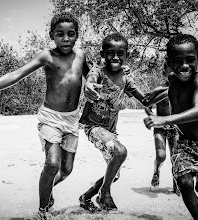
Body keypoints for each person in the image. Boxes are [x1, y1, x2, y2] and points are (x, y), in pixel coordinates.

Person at [0, 12, 90, 219]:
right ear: (52, 35)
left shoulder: (82, 55)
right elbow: (17, 74)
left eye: (71, 34)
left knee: (66, 170)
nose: (66, 39)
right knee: (52, 164)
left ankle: (47, 189)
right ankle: (43, 210)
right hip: (50, 118)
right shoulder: (47, 56)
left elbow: (94, 76)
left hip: (72, 119)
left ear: (77, 35)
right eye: (60, 34)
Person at [79, 32, 167, 212]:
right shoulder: (98, 72)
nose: (115, 57)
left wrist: (170, 91)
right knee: (120, 152)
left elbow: (146, 100)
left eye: (121, 53)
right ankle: (105, 193)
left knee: (114, 173)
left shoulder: (126, 79)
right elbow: (90, 80)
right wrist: (88, 87)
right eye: (110, 52)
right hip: (93, 127)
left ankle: (86, 197)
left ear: (127, 55)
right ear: (103, 54)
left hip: (111, 131)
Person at [143, 34, 198, 220]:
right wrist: (158, 93)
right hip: (184, 144)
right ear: (169, 62)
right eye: (178, 61)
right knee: (184, 183)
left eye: (190, 60)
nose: (184, 66)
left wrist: (164, 120)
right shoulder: (172, 78)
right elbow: (173, 89)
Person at [144, 63, 180, 195]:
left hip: (176, 129)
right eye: (169, 72)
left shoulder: (181, 89)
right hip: (160, 128)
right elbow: (147, 106)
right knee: (161, 156)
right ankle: (156, 171)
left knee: (176, 158)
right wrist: (154, 118)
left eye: (175, 72)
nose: (172, 75)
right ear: (163, 72)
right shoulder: (159, 90)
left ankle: (177, 182)